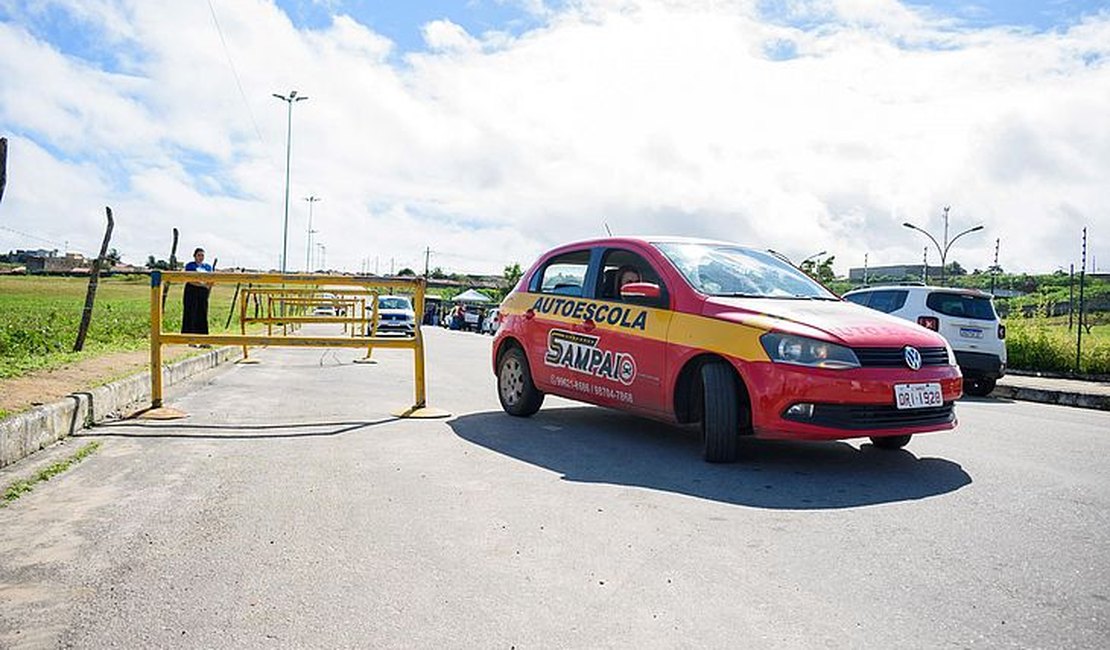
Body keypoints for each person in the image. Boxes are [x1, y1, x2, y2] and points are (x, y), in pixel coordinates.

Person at [182, 247, 213, 337]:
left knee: (202, 313)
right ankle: (188, 336)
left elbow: (211, 279)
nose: (200, 257)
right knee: (191, 312)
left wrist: (208, 287)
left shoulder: (207, 267)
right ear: (194, 256)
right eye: (199, 255)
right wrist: (202, 284)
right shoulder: (190, 265)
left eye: (202, 255)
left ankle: (203, 337)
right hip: (192, 290)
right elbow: (189, 279)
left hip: (203, 292)